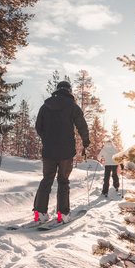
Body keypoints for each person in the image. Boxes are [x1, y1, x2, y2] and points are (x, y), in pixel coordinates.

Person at [33, 80, 90, 224]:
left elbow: (38, 127)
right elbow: (81, 125)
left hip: (49, 151)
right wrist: (85, 141)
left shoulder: (45, 106)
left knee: (47, 179)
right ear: (69, 91)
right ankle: (62, 214)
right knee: (63, 181)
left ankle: (40, 213)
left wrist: (46, 138)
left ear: (57, 90)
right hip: (66, 152)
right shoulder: (72, 106)